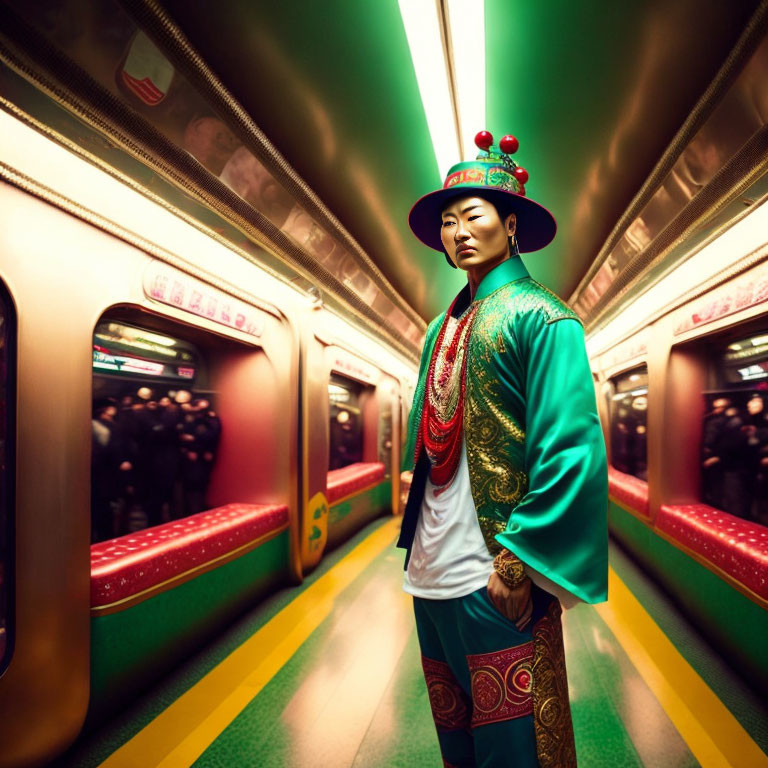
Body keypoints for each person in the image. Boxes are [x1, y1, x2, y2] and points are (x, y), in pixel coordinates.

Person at [398, 131, 608, 767]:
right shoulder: (441, 326)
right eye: (447, 220)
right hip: (429, 576)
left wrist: (515, 565)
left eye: (474, 215)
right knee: (459, 748)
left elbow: (570, 450)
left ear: (511, 225)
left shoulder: (542, 318)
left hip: (493, 577)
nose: (458, 231)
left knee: (515, 756)